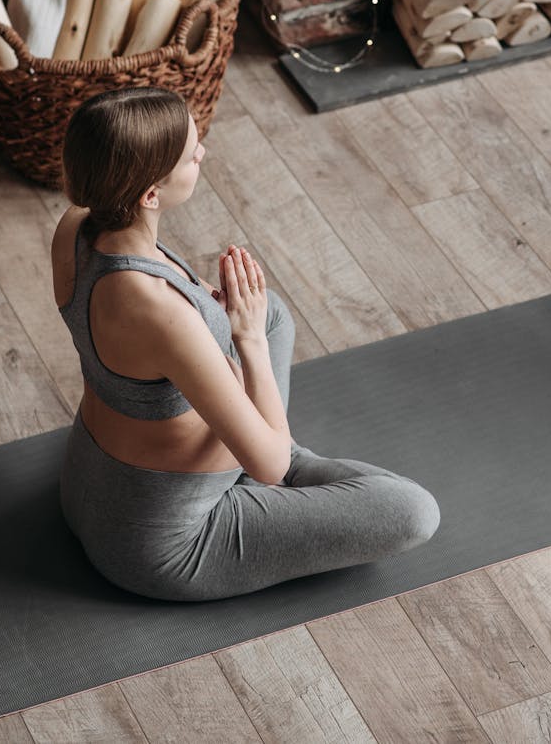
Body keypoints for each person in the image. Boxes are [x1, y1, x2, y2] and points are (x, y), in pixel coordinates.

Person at [54, 86, 440, 602]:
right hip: (166, 540)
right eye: (191, 154)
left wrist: (227, 320)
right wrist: (248, 340)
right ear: (150, 194)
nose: (202, 153)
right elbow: (269, 468)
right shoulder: (160, 312)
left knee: (269, 309)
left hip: (88, 483)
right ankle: (279, 440)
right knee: (412, 512)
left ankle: (264, 430)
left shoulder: (76, 225)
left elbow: (143, 335)